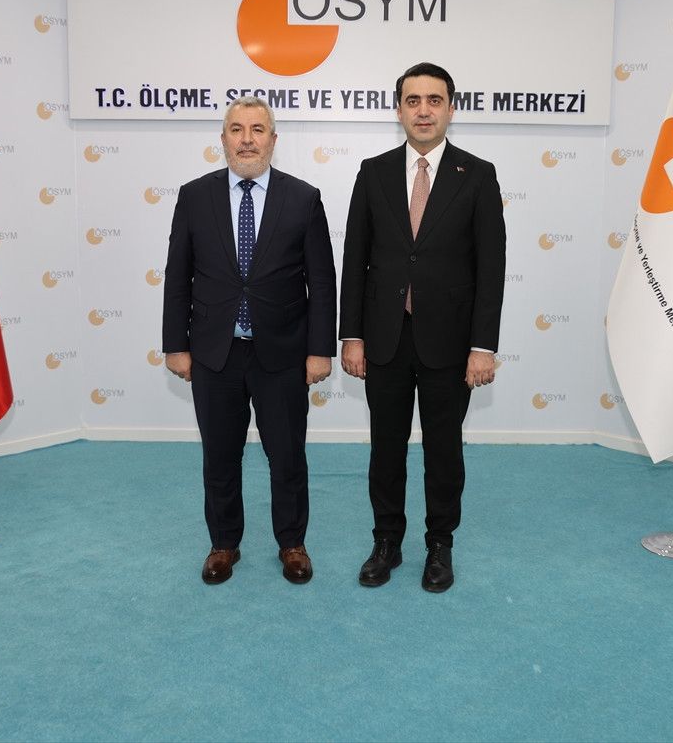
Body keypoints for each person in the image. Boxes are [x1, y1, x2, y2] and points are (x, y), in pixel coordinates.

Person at [339, 63, 506, 593]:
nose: (424, 110)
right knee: (385, 450)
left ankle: (440, 545)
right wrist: (351, 335)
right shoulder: (373, 172)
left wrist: (482, 346)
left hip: (451, 343)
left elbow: (491, 267)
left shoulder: (477, 174)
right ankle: (386, 541)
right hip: (385, 338)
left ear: (451, 108)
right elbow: (355, 257)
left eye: (435, 100)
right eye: (413, 100)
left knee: (443, 451)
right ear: (399, 110)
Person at [162, 96, 337, 585]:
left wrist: (319, 349)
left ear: (273, 140)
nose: (246, 140)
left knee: (287, 455)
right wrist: (176, 344)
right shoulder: (194, 196)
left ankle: (292, 543)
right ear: (223, 139)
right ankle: (223, 543)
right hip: (213, 353)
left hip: (282, 353)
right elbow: (177, 276)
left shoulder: (303, 198)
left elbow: (322, 282)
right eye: (236, 129)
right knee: (220, 456)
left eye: (257, 130)